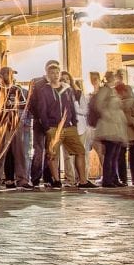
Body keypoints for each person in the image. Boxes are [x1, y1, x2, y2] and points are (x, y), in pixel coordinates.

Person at [33, 60, 94, 189]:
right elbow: (41, 110)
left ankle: (83, 181)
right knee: (52, 154)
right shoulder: (44, 90)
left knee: (80, 151)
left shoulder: (67, 89)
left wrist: (74, 123)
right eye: (52, 73)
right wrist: (47, 127)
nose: (55, 75)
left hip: (68, 125)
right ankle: (56, 180)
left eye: (57, 72)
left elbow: (71, 107)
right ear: (48, 75)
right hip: (53, 126)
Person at [0, 67, 28, 191]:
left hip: (15, 123)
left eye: (12, 74)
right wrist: (11, 105)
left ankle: (22, 180)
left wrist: (11, 105)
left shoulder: (17, 89)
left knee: (19, 153)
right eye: (8, 73)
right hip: (0, 124)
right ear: (2, 75)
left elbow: (24, 103)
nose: (10, 76)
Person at [93, 71, 128, 187]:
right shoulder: (105, 90)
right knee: (110, 154)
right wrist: (109, 116)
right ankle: (107, 179)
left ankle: (114, 178)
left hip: (116, 127)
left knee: (115, 155)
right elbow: (99, 106)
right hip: (109, 127)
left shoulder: (113, 91)